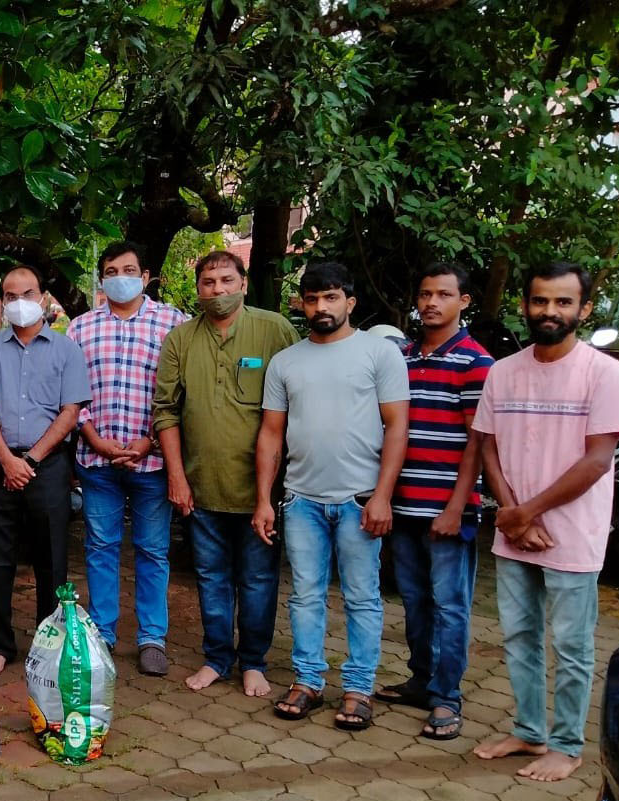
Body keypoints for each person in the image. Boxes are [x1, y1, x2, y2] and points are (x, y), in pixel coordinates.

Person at [472, 261, 619, 782]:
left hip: (572, 533)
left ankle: (566, 744)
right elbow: (488, 450)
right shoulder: (504, 371)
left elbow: (597, 460)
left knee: (572, 645)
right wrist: (512, 515)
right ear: (525, 305)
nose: (549, 311)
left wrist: (523, 513)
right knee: (518, 636)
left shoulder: (603, 372)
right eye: (540, 301)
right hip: (517, 528)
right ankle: (528, 731)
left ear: (583, 309)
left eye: (563, 302)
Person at [256, 261, 409, 730]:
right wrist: (264, 498)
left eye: (331, 297)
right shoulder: (286, 362)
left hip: (360, 500)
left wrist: (383, 496)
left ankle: (359, 688)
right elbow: (270, 434)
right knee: (304, 595)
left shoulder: (379, 355)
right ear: (302, 303)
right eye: (312, 298)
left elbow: (397, 426)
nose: (321, 306)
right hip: (300, 499)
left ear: (350, 302)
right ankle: (308, 682)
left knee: (362, 597)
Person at [154, 251, 297, 697]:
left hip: (261, 491)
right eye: (209, 282)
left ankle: (253, 661)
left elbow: (297, 402)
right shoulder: (180, 339)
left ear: (243, 284)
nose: (217, 290)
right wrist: (176, 477)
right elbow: (166, 413)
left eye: (226, 280)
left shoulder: (273, 330)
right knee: (212, 577)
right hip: (201, 487)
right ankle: (218, 657)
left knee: (257, 578)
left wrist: (272, 491)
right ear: (198, 290)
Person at [374, 263, 493, 740]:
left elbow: (478, 444)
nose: (431, 303)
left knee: (450, 606)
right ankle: (421, 681)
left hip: (448, 511)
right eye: (425, 293)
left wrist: (456, 507)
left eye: (444, 294)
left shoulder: (475, 362)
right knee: (417, 602)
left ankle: (447, 698)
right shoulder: (400, 357)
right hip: (402, 507)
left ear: (464, 302)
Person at [67, 241, 187, 673]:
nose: (121, 276)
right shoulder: (80, 328)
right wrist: (92, 436)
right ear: (102, 278)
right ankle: (102, 634)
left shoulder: (175, 324)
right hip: (96, 459)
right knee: (100, 546)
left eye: (129, 269)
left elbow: (182, 393)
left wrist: (151, 442)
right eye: (112, 270)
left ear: (146, 275)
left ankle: (152, 637)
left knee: (153, 550)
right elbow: (69, 393)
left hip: (151, 461)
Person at [0, 265, 90, 676]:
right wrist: (6, 459)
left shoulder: (66, 349)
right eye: (11, 296)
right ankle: (0, 645)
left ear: (44, 298)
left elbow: (70, 411)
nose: (20, 303)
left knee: (52, 559)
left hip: (48, 466)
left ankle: (49, 646)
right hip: (0, 462)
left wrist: (31, 460)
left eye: (28, 293)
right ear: (2, 303)